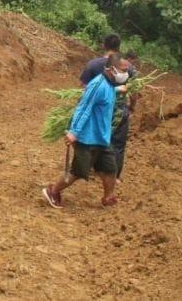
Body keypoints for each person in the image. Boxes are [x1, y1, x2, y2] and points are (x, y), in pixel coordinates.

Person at [42, 54, 130, 209]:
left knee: (110, 168)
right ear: (111, 69)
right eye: (123, 70)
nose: (126, 74)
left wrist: (118, 89)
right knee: (78, 172)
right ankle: (52, 191)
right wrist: (73, 132)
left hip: (102, 137)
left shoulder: (110, 84)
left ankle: (108, 197)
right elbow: (84, 108)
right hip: (87, 138)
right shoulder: (97, 85)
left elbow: (104, 95)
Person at [112, 51, 138, 182]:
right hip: (118, 110)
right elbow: (134, 92)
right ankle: (114, 174)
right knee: (118, 144)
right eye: (123, 69)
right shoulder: (132, 72)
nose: (125, 72)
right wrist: (132, 107)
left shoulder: (103, 71)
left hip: (115, 111)